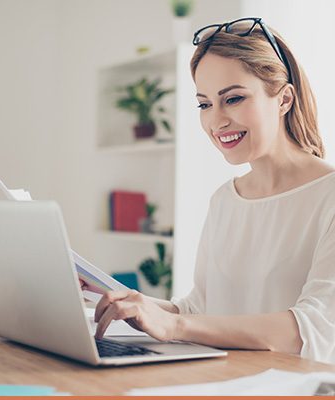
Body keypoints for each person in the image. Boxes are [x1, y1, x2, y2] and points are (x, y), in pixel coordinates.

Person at [93, 17, 335, 364]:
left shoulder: (329, 196)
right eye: (204, 104)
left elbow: (311, 329)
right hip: (222, 382)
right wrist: (129, 304)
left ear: (284, 100)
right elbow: (201, 308)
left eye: (233, 98)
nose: (216, 121)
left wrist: (175, 324)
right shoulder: (225, 199)